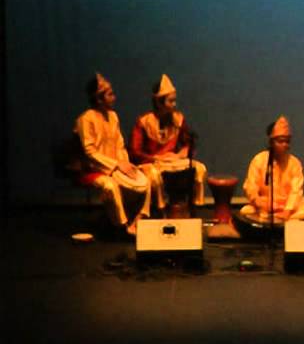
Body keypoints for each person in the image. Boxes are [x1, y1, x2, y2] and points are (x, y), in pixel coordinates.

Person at [74, 73, 151, 235]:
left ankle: (139, 219)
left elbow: (120, 146)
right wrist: (116, 165)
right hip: (94, 169)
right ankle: (122, 226)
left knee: (146, 177)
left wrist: (125, 165)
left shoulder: (113, 117)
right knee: (110, 186)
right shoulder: (85, 119)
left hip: (116, 167)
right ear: (99, 99)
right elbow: (89, 152)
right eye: (110, 94)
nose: (114, 97)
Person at [129, 74, 207, 216]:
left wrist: (180, 154)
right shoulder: (144, 122)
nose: (174, 104)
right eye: (170, 101)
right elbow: (135, 152)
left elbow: (188, 142)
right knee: (154, 176)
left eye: (174, 100)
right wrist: (157, 158)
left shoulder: (178, 119)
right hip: (150, 163)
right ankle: (161, 211)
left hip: (171, 161)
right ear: (159, 103)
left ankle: (195, 209)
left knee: (200, 168)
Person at [239, 116, 304, 226]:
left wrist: (287, 211)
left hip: (287, 208)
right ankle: (283, 222)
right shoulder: (259, 160)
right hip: (265, 207)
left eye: (287, 141)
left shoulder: (294, 163)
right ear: (271, 142)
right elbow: (250, 186)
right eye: (281, 141)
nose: (285, 145)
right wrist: (259, 202)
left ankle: (276, 220)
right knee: (245, 211)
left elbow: (296, 191)